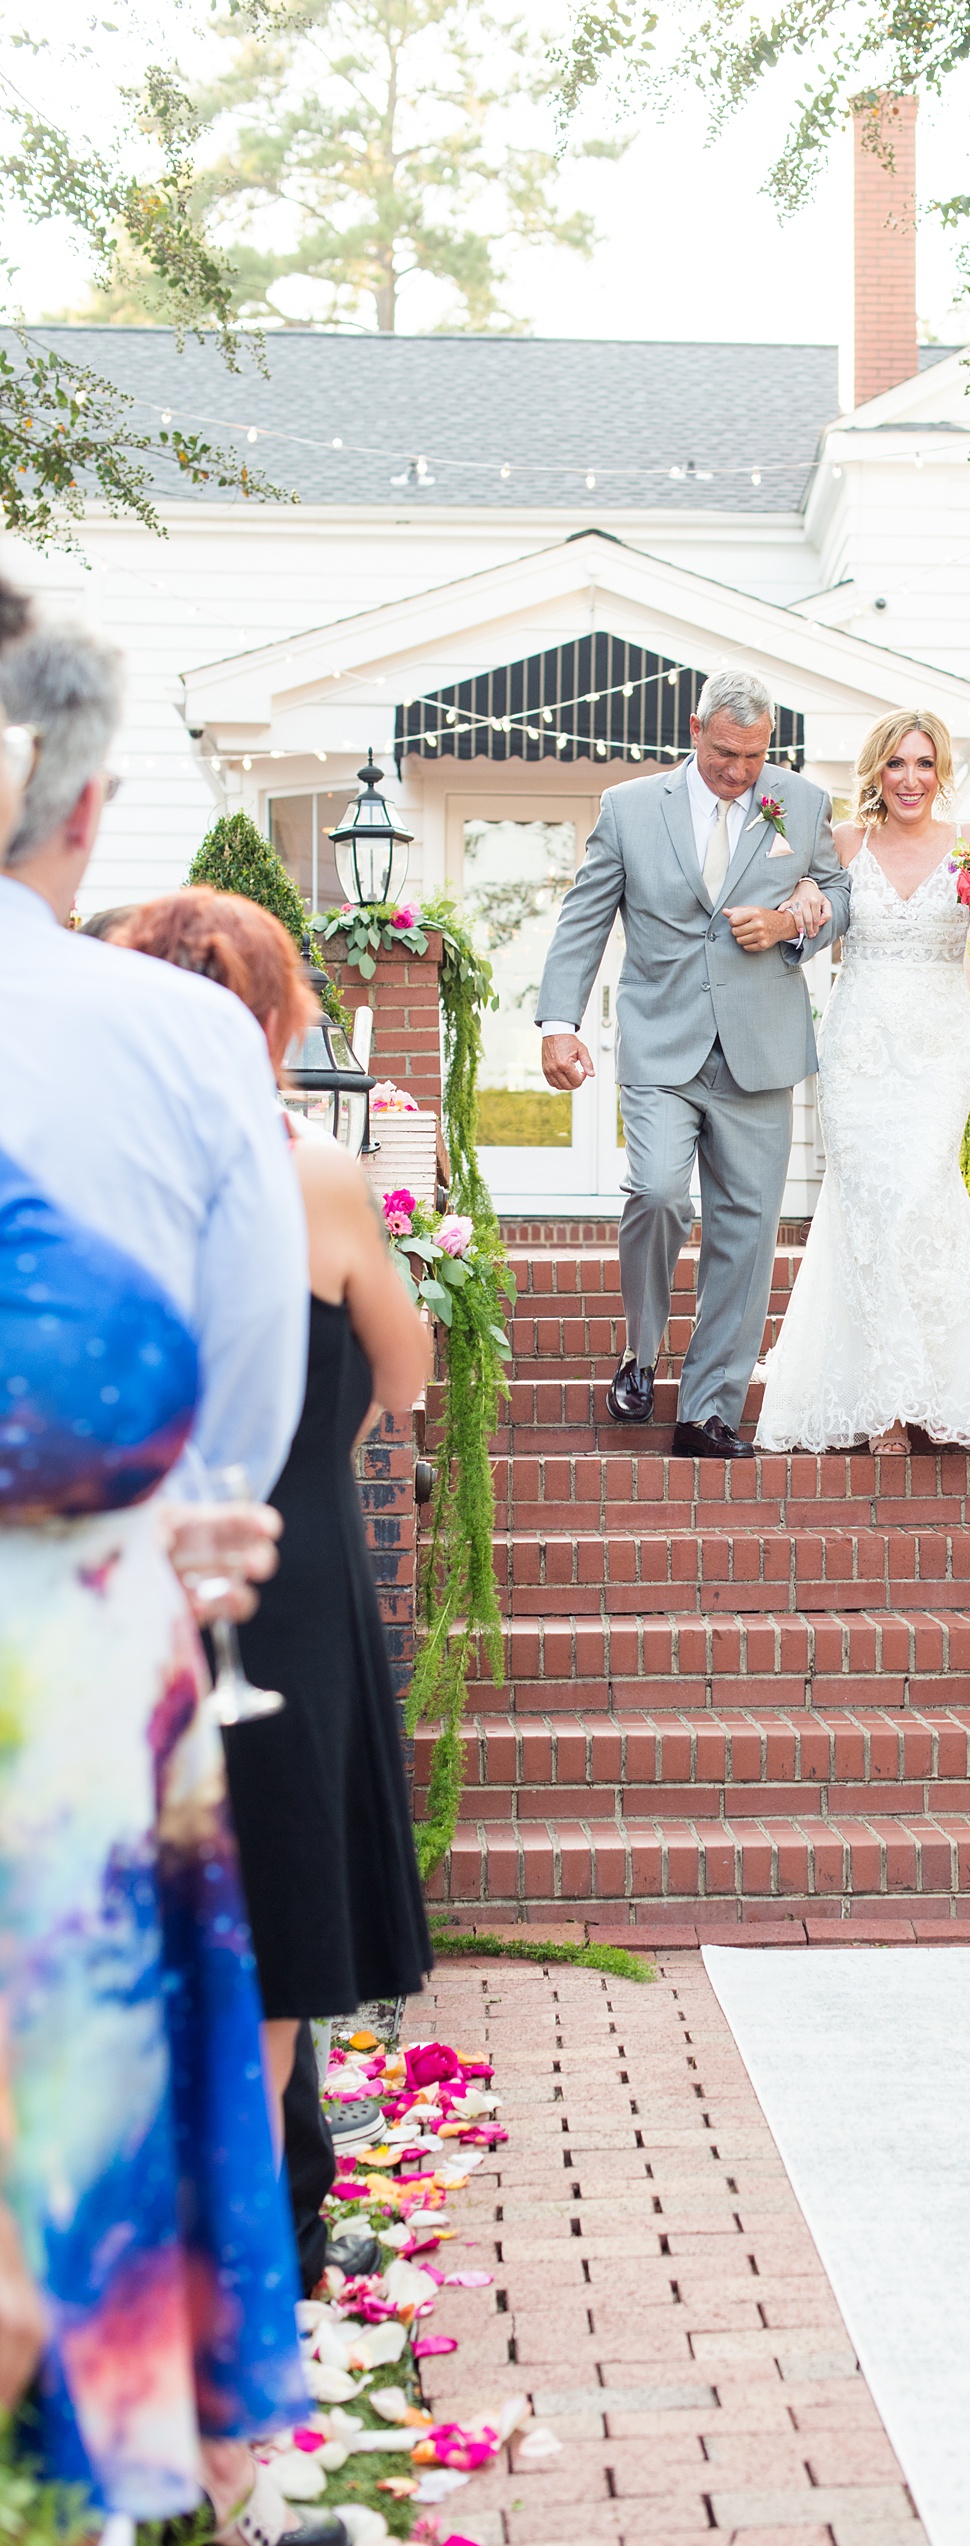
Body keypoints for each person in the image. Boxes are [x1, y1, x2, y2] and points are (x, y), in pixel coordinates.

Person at [0, 607, 324, 2541]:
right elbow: (245, 1413)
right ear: (91, 807)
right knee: (76, 2138)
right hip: (88, 1652)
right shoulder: (185, 1038)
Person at [117, 889, 435, 2137]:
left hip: (121, 1557)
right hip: (290, 1566)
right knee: (278, 1906)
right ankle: (255, 2232)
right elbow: (400, 1376)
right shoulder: (308, 1168)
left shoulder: (108, 1168)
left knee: (158, 1898)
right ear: (270, 1016)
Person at [0, 614, 308, 1492]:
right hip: (95, 1566)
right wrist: (194, 1511)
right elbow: (253, 1340)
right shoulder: (195, 1033)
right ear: (85, 808)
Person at [534, 668, 851, 1457]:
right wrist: (556, 1020)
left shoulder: (802, 802)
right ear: (693, 728)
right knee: (658, 1191)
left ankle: (707, 1411)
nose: (740, 772)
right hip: (662, 1044)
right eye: (724, 753)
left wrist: (789, 923)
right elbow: (584, 918)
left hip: (760, 1049)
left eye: (754, 756)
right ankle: (642, 1354)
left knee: (745, 1233)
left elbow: (839, 894)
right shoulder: (630, 807)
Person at [755, 712, 970, 1456]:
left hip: (939, 1048)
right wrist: (796, 909)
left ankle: (934, 1383)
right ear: (875, 770)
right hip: (859, 1048)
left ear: (941, 772)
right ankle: (882, 1405)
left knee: (918, 1198)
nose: (911, 779)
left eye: (925, 764)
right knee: (869, 1206)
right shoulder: (844, 845)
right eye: (897, 764)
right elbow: (806, 929)